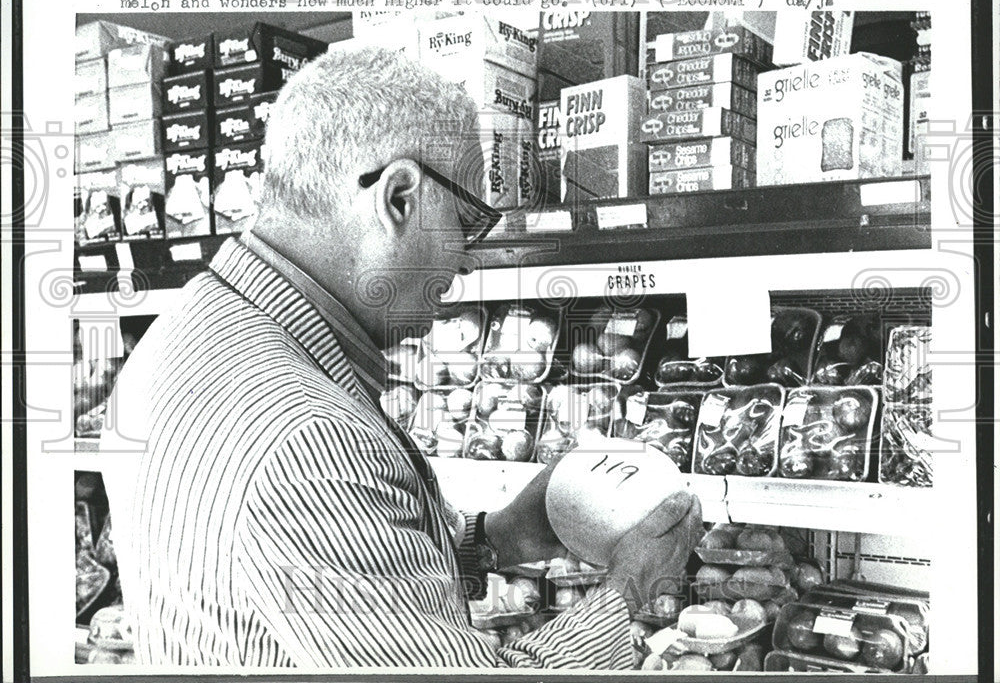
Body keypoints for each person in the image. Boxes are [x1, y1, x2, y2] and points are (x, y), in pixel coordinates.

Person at [100, 46, 702, 668]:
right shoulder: (310, 438)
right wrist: (629, 590)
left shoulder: (179, 334)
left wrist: (494, 536)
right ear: (399, 199)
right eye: (468, 222)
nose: (468, 260)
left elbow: (318, 580)